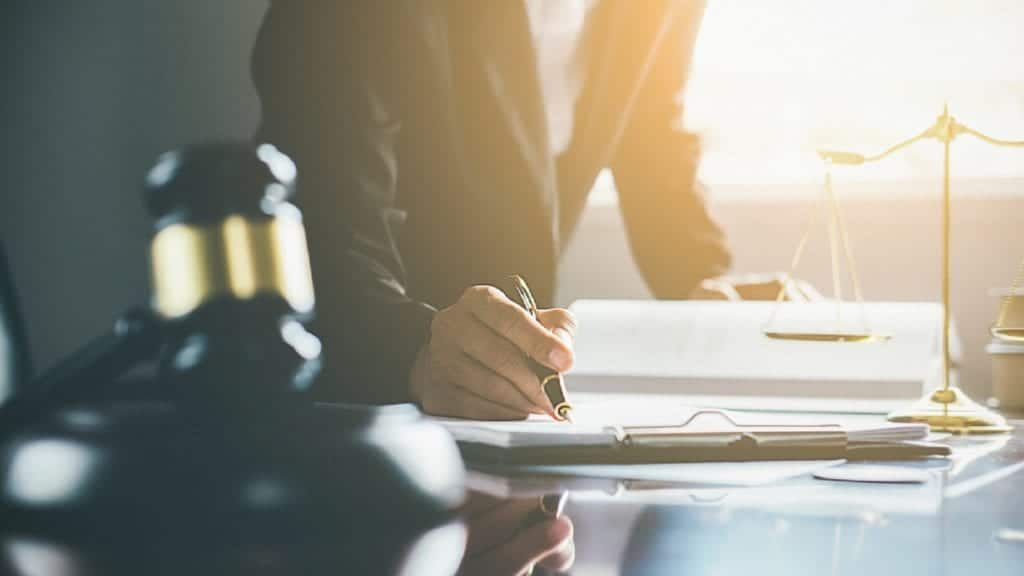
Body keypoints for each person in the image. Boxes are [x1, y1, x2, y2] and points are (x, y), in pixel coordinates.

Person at [252, 0, 734, 420]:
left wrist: (704, 279)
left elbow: (650, 121)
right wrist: (409, 350)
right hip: (352, 391)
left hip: (512, 407)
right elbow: (323, 220)